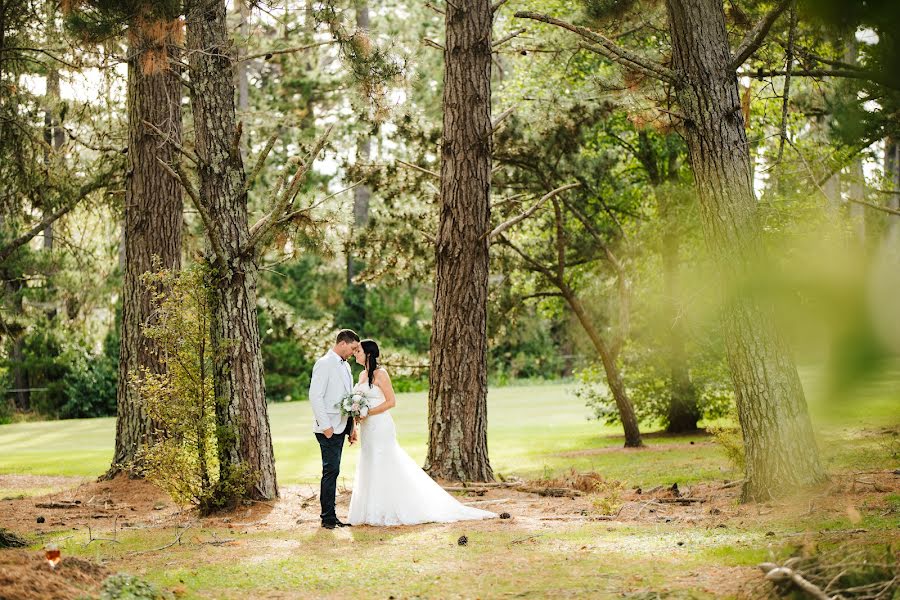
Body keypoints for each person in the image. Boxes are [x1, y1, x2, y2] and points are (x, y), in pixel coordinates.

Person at [347, 339, 497, 526]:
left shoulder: (381, 374)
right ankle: (370, 510)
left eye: (358, 351)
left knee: (384, 462)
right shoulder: (362, 375)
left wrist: (368, 412)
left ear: (368, 354)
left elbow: (391, 402)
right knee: (369, 462)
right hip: (367, 428)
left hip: (380, 426)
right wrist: (356, 418)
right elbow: (358, 403)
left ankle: (391, 509)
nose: (355, 353)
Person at [309, 329, 360, 529]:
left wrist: (352, 427)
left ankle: (331, 516)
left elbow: (348, 398)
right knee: (331, 471)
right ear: (342, 344)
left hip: (342, 425)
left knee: (334, 471)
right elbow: (316, 396)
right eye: (353, 348)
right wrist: (326, 427)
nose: (353, 353)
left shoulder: (345, 366)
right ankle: (328, 518)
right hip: (328, 428)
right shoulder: (324, 364)